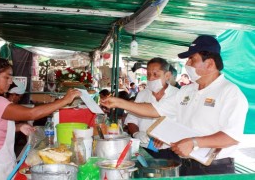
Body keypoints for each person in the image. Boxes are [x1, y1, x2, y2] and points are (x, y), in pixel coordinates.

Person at [101, 35, 248, 176]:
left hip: (214, 168)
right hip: (185, 163)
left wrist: (194, 142)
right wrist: (119, 102)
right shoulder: (187, 90)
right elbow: (154, 109)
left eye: (192, 59)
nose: (187, 64)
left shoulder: (229, 93)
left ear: (209, 63)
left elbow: (231, 137)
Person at [0, 56, 81, 180]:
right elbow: (31, 114)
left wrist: (19, 126)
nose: (10, 81)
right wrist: (65, 100)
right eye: (7, 77)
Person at [124, 57, 179, 160]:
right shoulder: (142, 95)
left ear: (167, 75)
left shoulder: (177, 95)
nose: (151, 78)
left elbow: (182, 123)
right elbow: (131, 119)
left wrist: (167, 136)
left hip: (169, 150)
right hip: (144, 149)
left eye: (155, 74)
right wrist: (136, 133)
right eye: (148, 74)